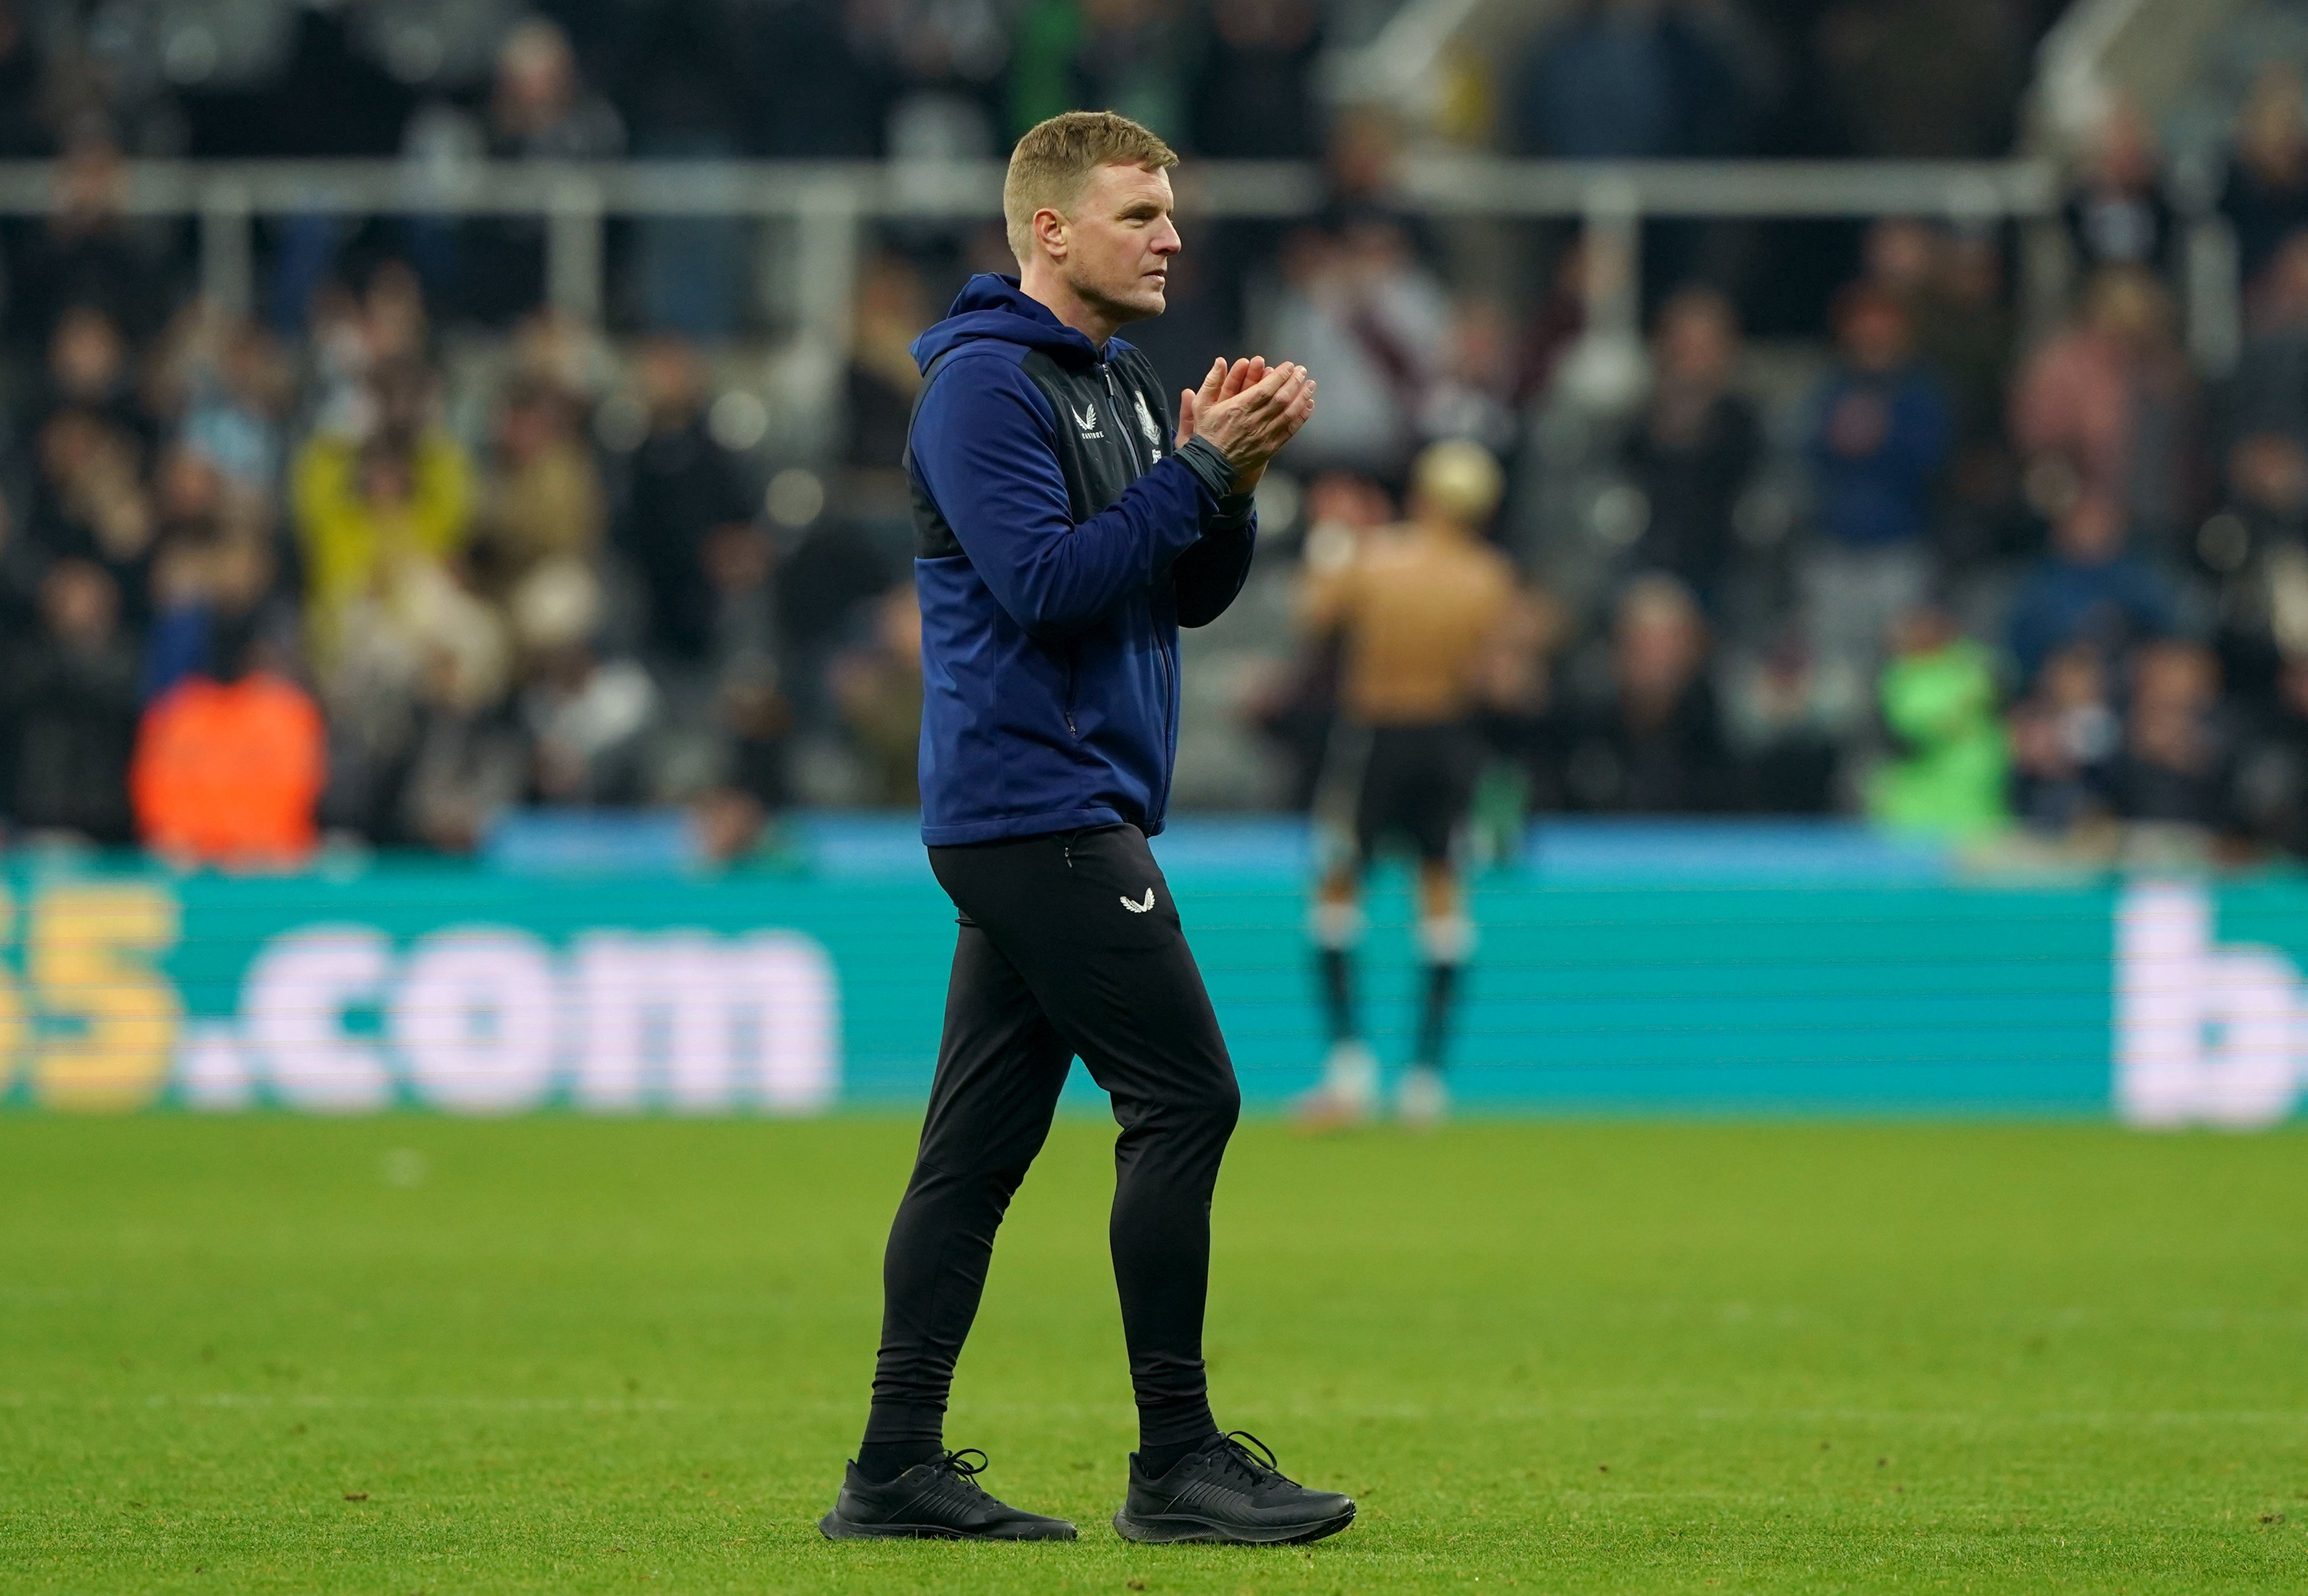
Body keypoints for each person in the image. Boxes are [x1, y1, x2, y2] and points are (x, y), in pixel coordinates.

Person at [821, 110, 1350, 1549]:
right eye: (1140, 213)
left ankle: (891, 1469)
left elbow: (1174, 593)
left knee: (975, 1154)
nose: (1171, 235)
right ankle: (1175, 1460)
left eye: (1169, 210)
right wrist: (1191, 478)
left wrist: (1225, 484)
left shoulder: (1115, 382)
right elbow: (1049, 586)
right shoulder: (983, 392)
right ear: (1048, 230)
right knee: (1187, 1099)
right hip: (1035, 807)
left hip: (1058, 804)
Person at [1291, 440, 1525, 1129]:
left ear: (1422, 495)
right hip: (1449, 742)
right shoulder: (1489, 576)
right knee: (1443, 903)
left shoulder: (1374, 559)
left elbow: (1313, 618)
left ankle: (1348, 1068)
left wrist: (1333, 538)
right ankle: (1425, 1080)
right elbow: (1502, 675)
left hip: (1374, 736)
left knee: (1337, 890)